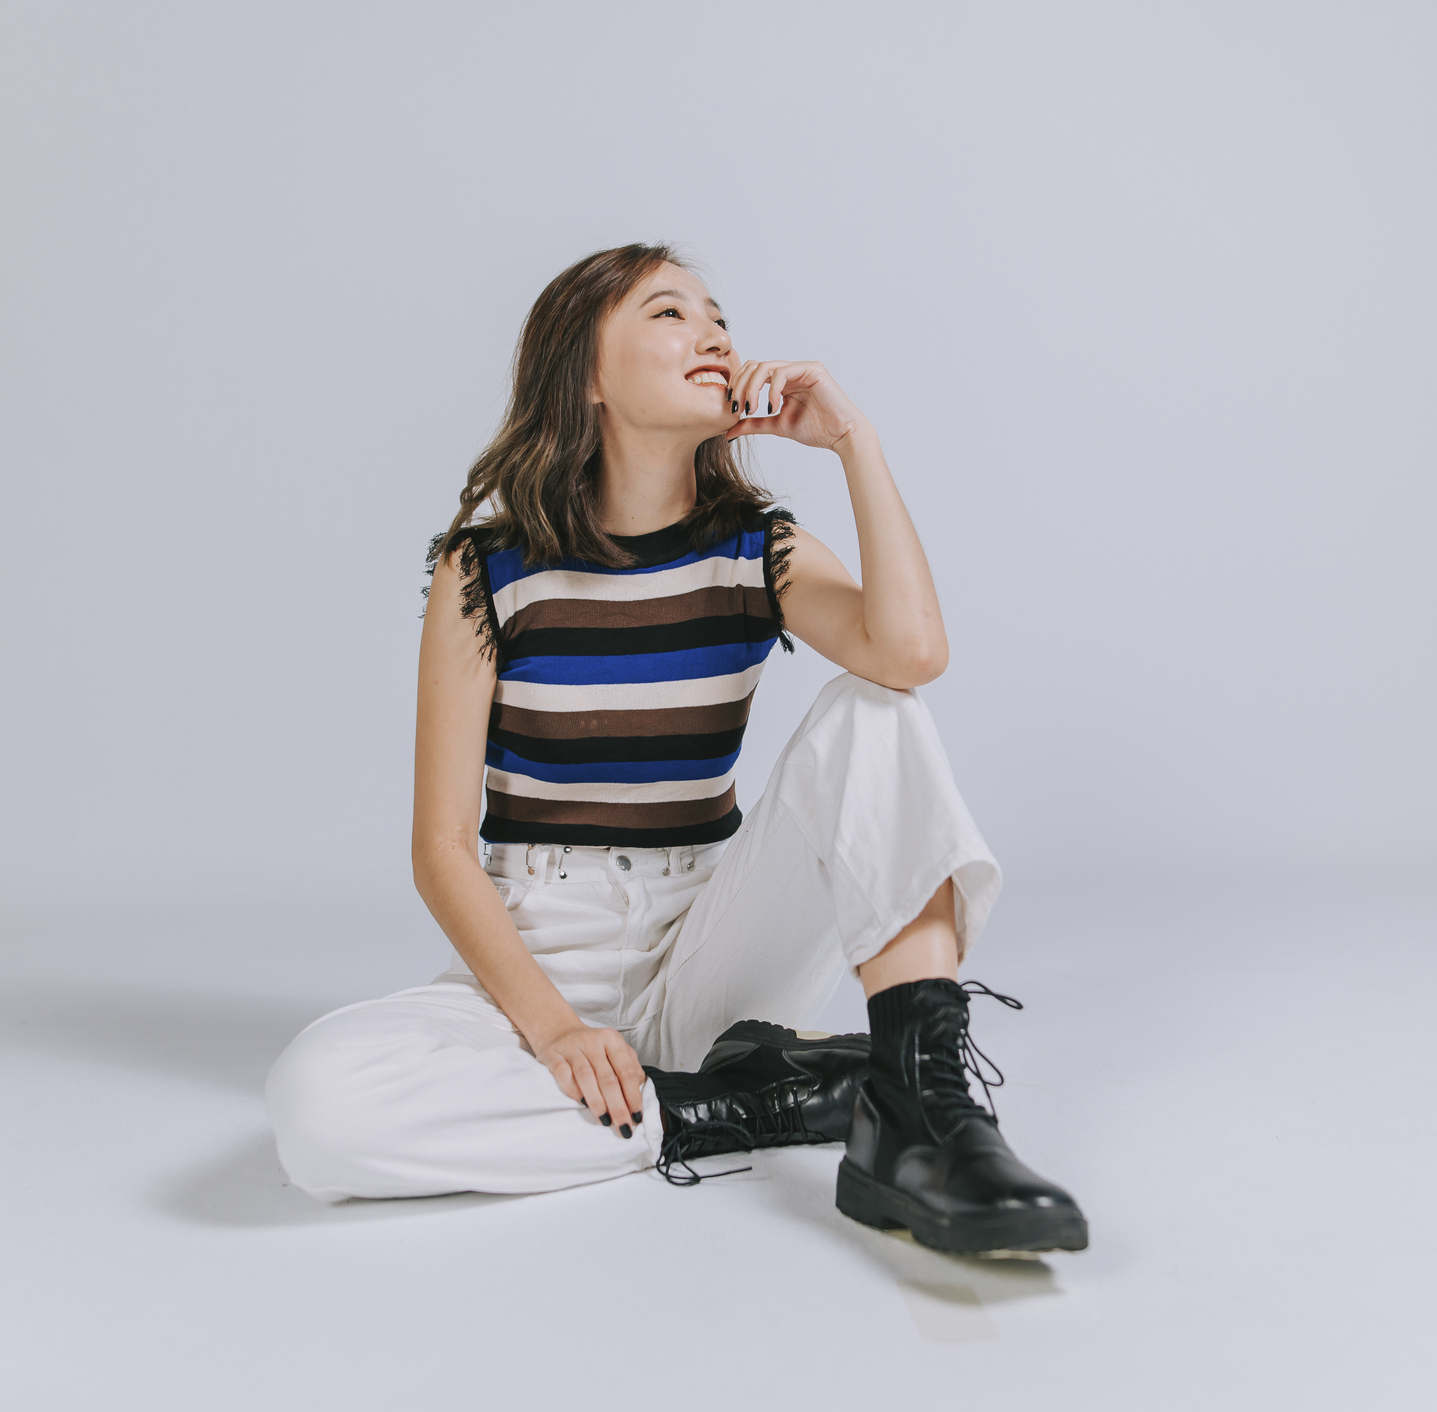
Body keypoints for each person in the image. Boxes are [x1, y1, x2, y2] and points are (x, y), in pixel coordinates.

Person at [264, 243, 1086, 1255]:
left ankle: (920, 1113)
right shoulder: (485, 568)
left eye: (718, 317)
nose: (712, 334)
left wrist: (852, 441)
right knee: (318, 1106)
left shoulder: (754, 546)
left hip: (713, 951)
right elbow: (441, 844)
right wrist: (556, 1029)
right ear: (589, 376)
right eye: (668, 313)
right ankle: (726, 1106)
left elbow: (910, 653)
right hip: (538, 953)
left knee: (876, 709)